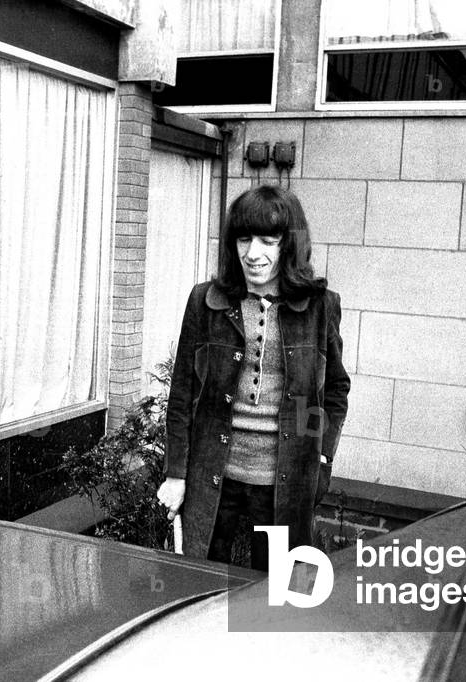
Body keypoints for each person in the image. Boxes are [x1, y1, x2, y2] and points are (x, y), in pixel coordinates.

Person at [156, 185, 350, 571]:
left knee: (272, 595)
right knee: (202, 587)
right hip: (212, 475)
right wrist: (176, 473)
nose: (253, 253)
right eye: (244, 238)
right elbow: (182, 395)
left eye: (268, 240)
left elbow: (332, 391)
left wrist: (321, 456)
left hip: (283, 479)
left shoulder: (318, 307)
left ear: (288, 245)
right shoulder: (206, 301)